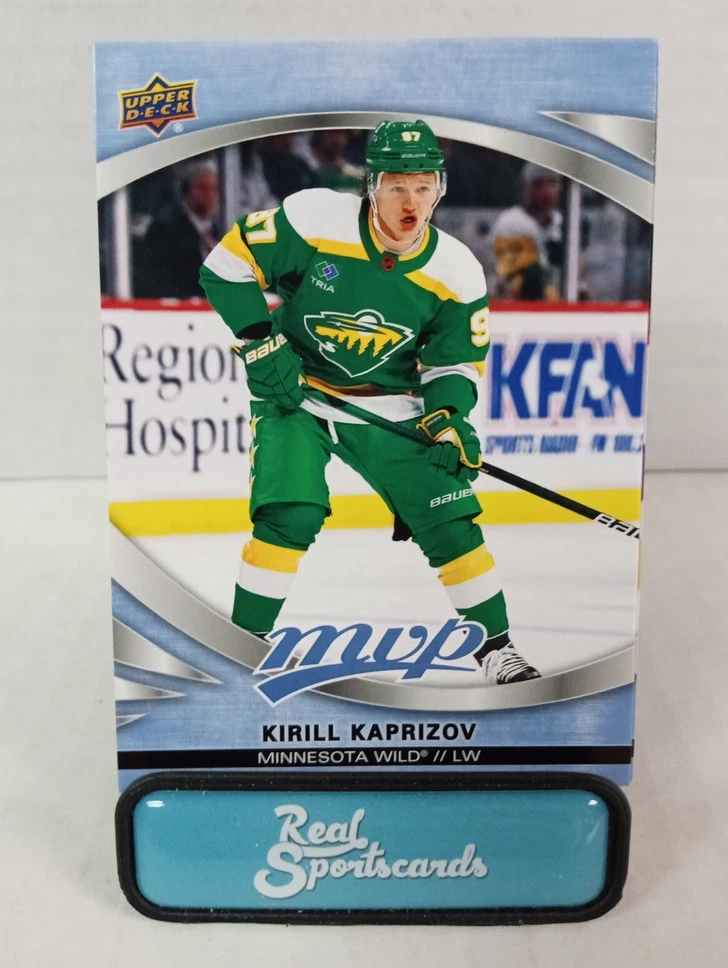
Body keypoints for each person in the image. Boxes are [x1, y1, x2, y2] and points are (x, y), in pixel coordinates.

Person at [199, 120, 540, 685]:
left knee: (450, 519)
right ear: (371, 185)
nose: (411, 202)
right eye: (397, 186)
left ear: (440, 189)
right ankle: (239, 651)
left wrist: (448, 419)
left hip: (391, 407)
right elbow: (225, 266)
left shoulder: (457, 270)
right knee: (290, 513)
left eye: (423, 187)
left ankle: (496, 650)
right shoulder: (315, 218)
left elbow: (452, 363)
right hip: (298, 392)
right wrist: (260, 341)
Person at [134, 157, 221, 299]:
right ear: (186, 190)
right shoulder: (164, 230)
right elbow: (159, 284)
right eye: (202, 188)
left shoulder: (219, 232)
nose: (210, 196)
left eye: (214, 189)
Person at [491, 163, 563, 301]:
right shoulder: (510, 223)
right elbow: (511, 279)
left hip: (560, 306)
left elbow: (578, 276)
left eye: (552, 183)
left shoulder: (563, 224)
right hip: (517, 305)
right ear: (526, 187)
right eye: (539, 184)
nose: (547, 190)